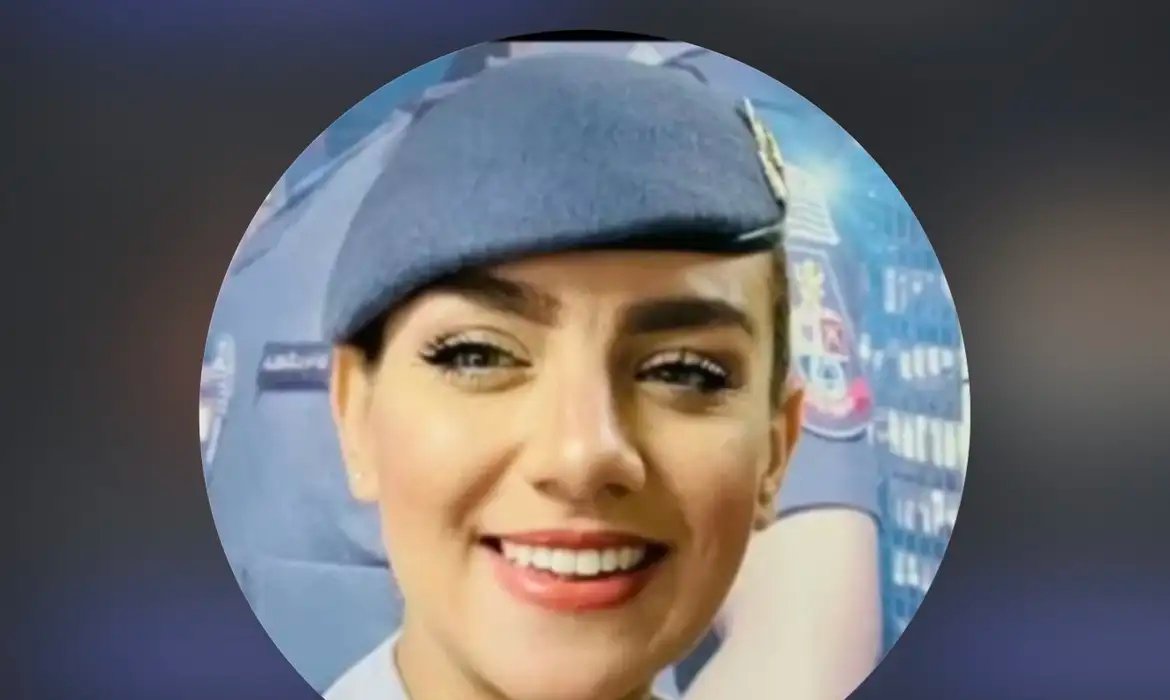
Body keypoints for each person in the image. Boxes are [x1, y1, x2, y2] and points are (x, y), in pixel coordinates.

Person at [203, 42, 881, 700]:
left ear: (778, 449)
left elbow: (806, 640)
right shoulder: (344, 173)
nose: (580, 454)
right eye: (476, 356)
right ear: (350, 411)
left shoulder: (718, 146)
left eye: (684, 371)